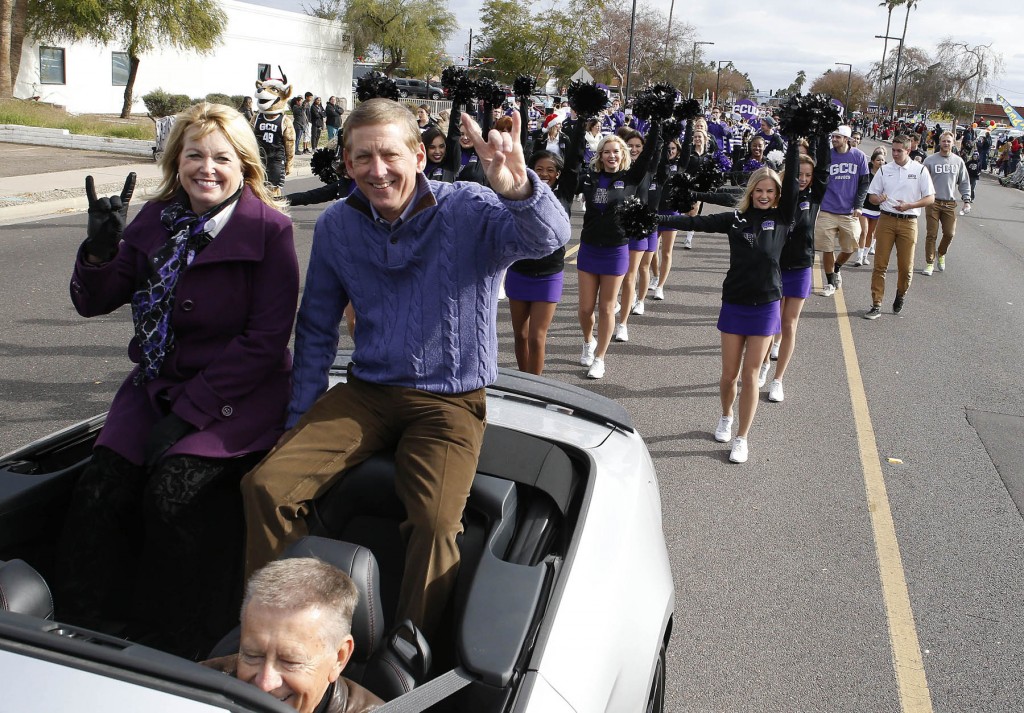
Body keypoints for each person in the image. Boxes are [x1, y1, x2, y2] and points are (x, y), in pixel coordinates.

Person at [240, 99, 570, 638]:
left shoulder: (470, 208)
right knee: (266, 487)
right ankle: (282, 630)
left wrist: (518, 190)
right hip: (366, 391)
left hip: (450, 399)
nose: (378, 170)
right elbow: (317, 327)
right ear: (346, 164)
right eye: (362, 157)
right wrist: (297, 420)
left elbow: (547, 239)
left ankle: (408, 648)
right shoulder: (337, 225)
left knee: (436, 523)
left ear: (419, 155)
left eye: (390, 154)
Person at [58, 102, 299, 658]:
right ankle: (83, 626)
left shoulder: (271, 232)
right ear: (177, 160)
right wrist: (98, 252)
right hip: (155, 385)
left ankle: (182, 640)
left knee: (173, 496)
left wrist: (188, 416)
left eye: (221, 157)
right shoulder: (154, 219)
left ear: (244, 165)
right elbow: (95, 301)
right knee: (98, 489)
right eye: (195, 155)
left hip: (234, 394)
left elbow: (263, 342)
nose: (206, 168)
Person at [657, 143, 800, 463]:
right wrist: (653, 217)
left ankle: (742, 438)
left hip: (765, 306)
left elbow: (792, 185)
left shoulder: (782, 217)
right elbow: (693, 223)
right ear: (751, 191)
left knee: (751, 375)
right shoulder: (735, 219)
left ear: (777, 195)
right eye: (759, 190)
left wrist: (793, 139)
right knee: (728, 375)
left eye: (770, 191)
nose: (764, 195)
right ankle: (725, 416)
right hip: (734, 302)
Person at [203, 557, 382, 713]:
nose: (265, 683)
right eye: (252, 655)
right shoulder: (198, 689)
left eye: (290, 661)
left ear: (339, 658)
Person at [576, 123, 660, 379]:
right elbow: (568, 170)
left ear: (622, 154)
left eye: (616, 152)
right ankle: (588, 342)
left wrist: (655, 121)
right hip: (589, 248)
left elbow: (647, 155)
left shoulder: (630, 178)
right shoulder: (589, 179)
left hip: (616, 250)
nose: (612, 156)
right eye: (607, 152)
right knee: (585, 309)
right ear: (600, 155)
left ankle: (600, 358)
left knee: (606, 307)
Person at [863, 134, 935, 319]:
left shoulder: (919, 170)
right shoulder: (884, 170)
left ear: (908, 150)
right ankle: (876, 303)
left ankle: (900, 294)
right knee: (880, 265)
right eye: (893, 150)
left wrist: (910, 205)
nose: (894, 154)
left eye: (898, 151)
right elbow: (871, 195)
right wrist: (877, 198)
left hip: (908, 221)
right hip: (886, 219)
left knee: (905, 267)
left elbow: (930, 197)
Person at [814, 125, 869, 296]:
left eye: (838, 137)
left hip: (849, 211)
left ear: (847, 139)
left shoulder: (859, 156)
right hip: (828, 209)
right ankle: (830, 282)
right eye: (833, 136)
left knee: (851, 246)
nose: (834, 139)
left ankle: (837, 267)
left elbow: (864, 183)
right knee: (827, 247)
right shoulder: (828, 156)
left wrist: (859, 205)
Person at [921, 131, 971, 275]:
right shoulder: (930, 160)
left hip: (950, 203)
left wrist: (966, 200)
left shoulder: (958, 161)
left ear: (953, 143)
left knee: (949, 233)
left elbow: (964, 182)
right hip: (933, 202)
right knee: (932, 234)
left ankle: (941, 254)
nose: (946, 143)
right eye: (944, 141)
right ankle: (929, 262)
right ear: (939, 142)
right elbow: (921, 181)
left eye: (949, 141)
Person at [851, 147, 886, 266]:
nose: (881, 162)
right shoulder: (866, 174)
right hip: (864, 206)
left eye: (883, 160)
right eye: (878, 160)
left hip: (877, 209)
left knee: (871, 233)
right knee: (864, 231)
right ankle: (859, 257)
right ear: (872, 161)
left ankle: (865, 255)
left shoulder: (886, 175)